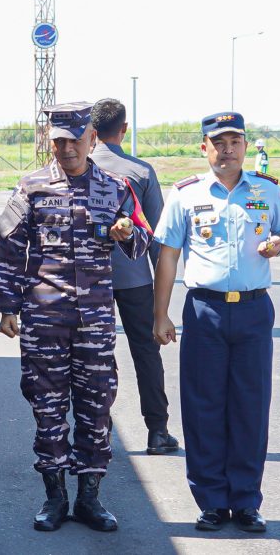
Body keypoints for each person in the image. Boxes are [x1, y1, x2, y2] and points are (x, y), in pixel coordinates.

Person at [0, 101, 150, 533]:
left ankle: (90, 499)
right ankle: (54, 498)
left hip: (94, 320)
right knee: (48, 406)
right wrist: (6, 307)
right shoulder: (32, 186)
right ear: (50, 142)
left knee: (96, 406)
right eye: (58, 141)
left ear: (92, 139)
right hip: (44, 318)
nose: (66, 149)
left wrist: (127, 232)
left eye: (74, 141)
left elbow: (141, 243)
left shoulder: (115, 187)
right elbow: (9, 247)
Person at [152, 111, 280, 534]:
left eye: (235, 141)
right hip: (205, 310)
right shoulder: (185, 195)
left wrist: (279, 245)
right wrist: (159, 314)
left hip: (253, 310)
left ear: (246, 146)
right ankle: (212, 500)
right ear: (205, 148)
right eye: (219, 142)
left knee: (250, 407)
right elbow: (168, 256)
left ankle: (247, 500)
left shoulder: (267, 191)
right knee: (204, 407)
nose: (228, 150)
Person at [87, 98, 177, 455]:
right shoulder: (140, 171)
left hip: (90, 279)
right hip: (135, 277)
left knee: (95, 357)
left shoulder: (81, 168)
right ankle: (157, 431)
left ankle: (100, 431)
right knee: (146, 353)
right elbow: (156, 238)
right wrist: (162, 308)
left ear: (91, 131)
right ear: (124, 129)